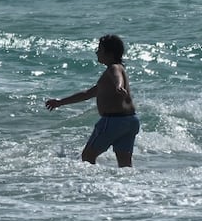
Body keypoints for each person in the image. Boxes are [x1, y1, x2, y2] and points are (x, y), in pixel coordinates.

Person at [46, 35, 140, 168]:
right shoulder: (111, 74)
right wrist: (60, 102)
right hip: (130, 121)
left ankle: (92, 186)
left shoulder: (114, 68)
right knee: (125, 164)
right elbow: (88, 94)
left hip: (113, 121)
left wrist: (119, 86)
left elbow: (117, 77)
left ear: (110, 53)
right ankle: (128, 187)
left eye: (100, 50)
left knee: (87, 156)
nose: (96, 52)